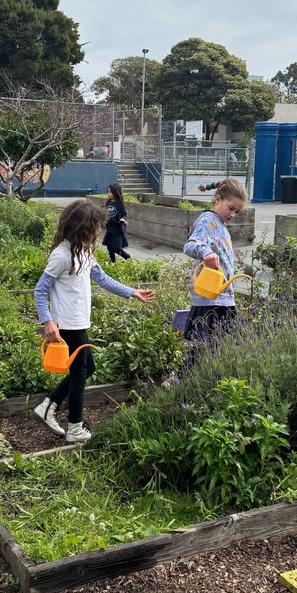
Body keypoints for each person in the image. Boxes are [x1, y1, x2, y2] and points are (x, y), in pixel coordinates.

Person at [33, 200, 155, 443]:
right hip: (66, 324)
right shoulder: (62, 255)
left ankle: (48, 406)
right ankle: (75, 428)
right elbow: (39, 290)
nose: (99, 232)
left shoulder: (84, 252)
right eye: (96, 227)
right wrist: (47, 321)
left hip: (79, 322)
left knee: (88, 369)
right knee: (80, 372)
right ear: (83, 227)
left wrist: (133, 292)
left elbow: (103, 279)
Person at [182, 176, 248, 346]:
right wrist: (206, 253)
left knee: (217, 349)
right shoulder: (207, 221)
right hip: (209, 297)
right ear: (217, 199)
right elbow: (190, 245)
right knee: (202, 349)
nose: (233, 214)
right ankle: (184, 374)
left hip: (221, 296)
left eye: (237, 212)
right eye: (231, 208)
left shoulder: (220, 224)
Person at [102, 183, 131, 263]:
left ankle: (127, 257)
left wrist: (123, 219)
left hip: (117, 229)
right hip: (109, 228)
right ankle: (112, 262)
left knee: (116, 247)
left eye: (110, 192)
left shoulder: (120, 204)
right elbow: (106, 212)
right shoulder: (108, 202)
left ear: (116, 192)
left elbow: (125, 214)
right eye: (108, 192)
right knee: (109, 247)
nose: (108, 194)